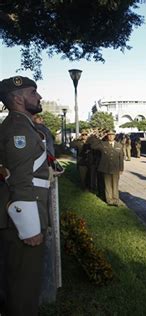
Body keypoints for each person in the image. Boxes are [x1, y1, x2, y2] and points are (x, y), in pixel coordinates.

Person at [0, 76, 50, 315]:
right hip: (23, 219)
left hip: (26, 212)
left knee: (20, 283)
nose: (39, 97)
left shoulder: (23, 125)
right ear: (18, 99)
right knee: (23, 288)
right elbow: (20, 180)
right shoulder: (19, 129)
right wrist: (30, 228)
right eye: (33, 92)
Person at [89, 130, 124, 206]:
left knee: (115, 184)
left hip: (115, 169)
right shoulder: (102, 144)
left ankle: (116, 200)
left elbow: (121, 158)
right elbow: (93, 146)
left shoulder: (119, 145)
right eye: (109, 135)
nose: (111, 136)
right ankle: (109, 200)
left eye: (112, 135)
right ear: (107, 136)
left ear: (115, 136)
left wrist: (121, 169)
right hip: (105, 168)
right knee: (107, 185)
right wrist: (99, 137)